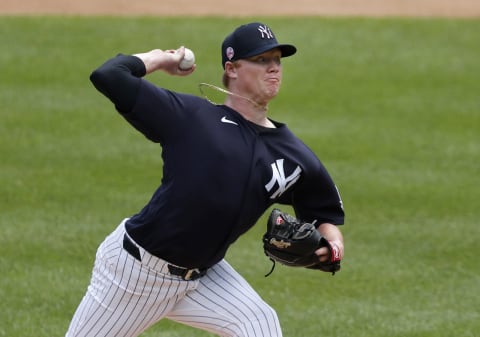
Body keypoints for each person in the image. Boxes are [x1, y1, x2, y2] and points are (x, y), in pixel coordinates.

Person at [66, 22, 345, 337]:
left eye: (277, 60)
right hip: (135, 274)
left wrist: (331, 247)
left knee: (260, 325)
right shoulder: (190, 117)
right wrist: (159, 58)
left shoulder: (293, 153)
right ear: (232, 68)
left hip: (204, 279)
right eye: (261, 60)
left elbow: (324, 213)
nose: (273, 69)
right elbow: (109, 75)